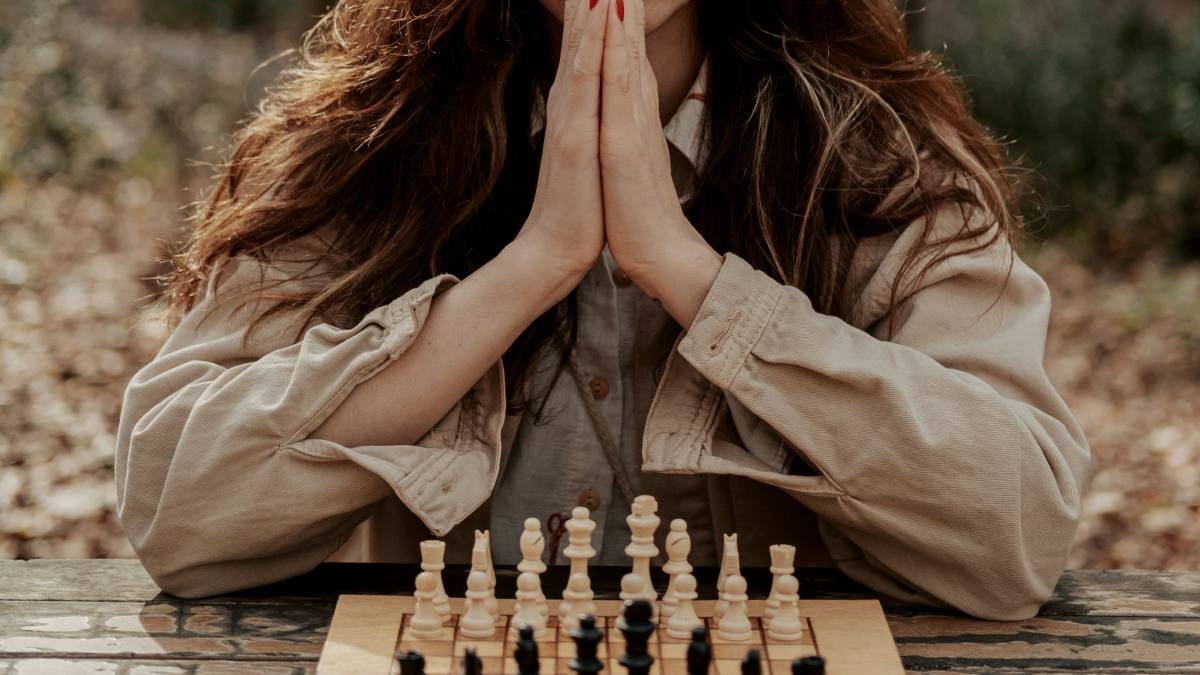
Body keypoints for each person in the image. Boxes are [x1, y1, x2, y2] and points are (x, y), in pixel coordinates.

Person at [115, 0, 1090, 621]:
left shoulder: (879, 157)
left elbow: (1016, 537)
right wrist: (531, 268)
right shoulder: (366, 146)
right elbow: (180, 518)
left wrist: (688, 273)